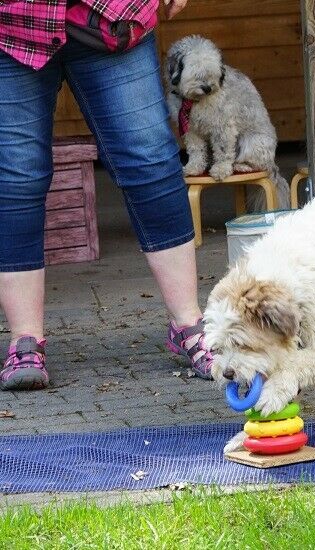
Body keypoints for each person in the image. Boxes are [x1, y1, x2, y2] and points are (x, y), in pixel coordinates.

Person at [0, 0, 214, 390]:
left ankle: (189, 324)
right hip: (13, 22)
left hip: (114, 13)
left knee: (151, 161)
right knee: (16, 179)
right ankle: (24, 340)